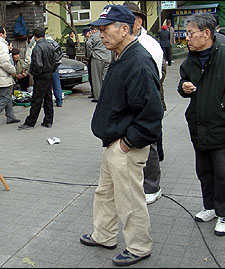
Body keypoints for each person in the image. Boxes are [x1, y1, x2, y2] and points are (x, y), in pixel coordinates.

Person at [79, 5, 164, 267]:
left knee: (128, 198)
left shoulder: (137, 61)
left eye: (106, 29)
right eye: (99, 29)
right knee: (104, 192)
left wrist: (127, 143)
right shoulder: (120, 55)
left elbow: (152, 113)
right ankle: (103, 235)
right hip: (113, 142)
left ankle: (139, 247)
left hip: (126, 145)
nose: (100, 34)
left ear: (124, 29)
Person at [178, 13, 225, 236]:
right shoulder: (190, 59)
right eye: (186, 34)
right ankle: (210, 207)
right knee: (205, 171)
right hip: (199, 127)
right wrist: (183, 87)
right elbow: (182, 81)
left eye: (190, 33)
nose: (186, 38)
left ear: (207, 33)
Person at [124, 1, 165, 204]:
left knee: (149, 143)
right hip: (132, 99)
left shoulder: (148, 45)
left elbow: (156, 76)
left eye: (126, 20)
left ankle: (152, 185)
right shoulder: (127, 42)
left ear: (138, 22)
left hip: (145, 98)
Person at [18, 27, 57, 130]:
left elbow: (38, 64)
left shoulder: (37, 48)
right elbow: (56, 59)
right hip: (49, 73)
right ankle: (48, 120)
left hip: (41, 75)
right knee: (48, 98)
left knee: (37, 99)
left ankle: (30, 122)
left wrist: (35, 73)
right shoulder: (50, 45)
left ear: (35, 37)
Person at [86, 26, 111, 103]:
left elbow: (88, 43)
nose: (91, 32)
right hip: (107, 57)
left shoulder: (94, 36)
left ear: (95, 29)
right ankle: (108, 95)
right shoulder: (107, 34)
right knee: (105, 78)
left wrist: (90, 54)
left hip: (97, 58)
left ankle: (98, 97)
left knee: (96, 78)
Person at [82, 27, 94, 99]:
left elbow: (89, 50)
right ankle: (93, 92)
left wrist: (88, 58)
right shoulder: (89, 40)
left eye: (85, 34)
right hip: (89, 60)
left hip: (91, 60)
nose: (84, 36)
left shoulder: (90, 40)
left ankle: (94, 92)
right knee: (91, 77)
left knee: (92, 77)